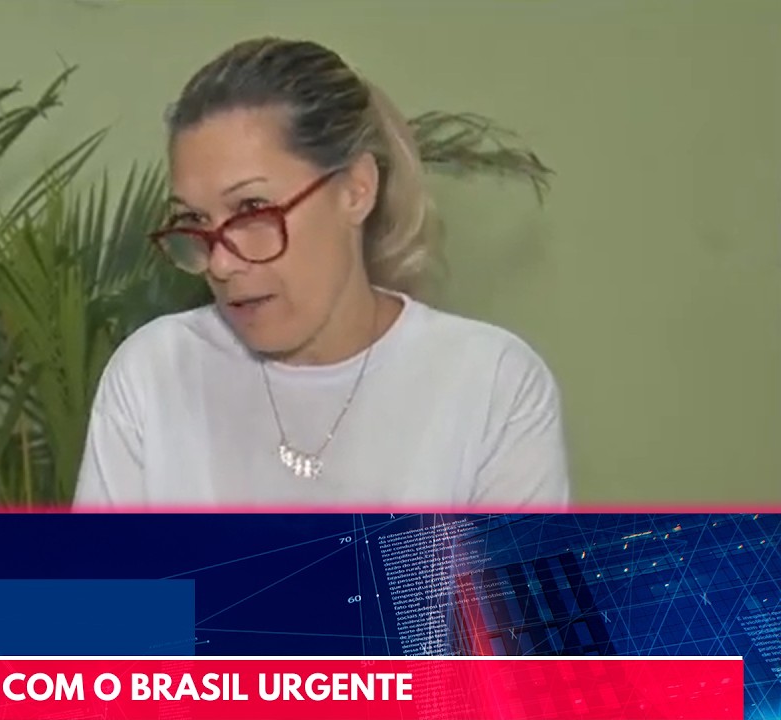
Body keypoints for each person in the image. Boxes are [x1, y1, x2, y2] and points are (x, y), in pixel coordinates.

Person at [73, 37, 569, 509]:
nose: (221, 263)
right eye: (195, 221)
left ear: (356, 189)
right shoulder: (153, 375)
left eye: (252, 209)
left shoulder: (492, 385)